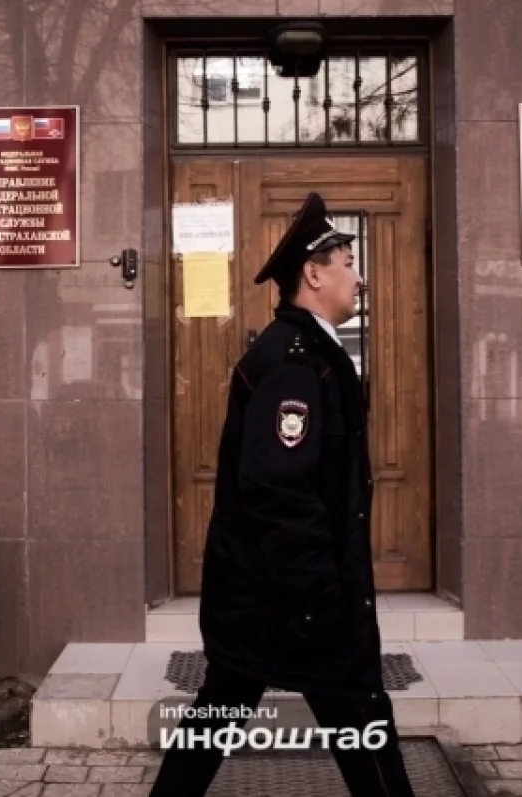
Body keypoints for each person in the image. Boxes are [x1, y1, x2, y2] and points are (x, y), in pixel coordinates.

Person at [149, 193, 416, 796]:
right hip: (293, 601)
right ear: (314, 274)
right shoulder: (293, 363)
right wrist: (324, 599)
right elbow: (279, 491)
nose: (360, 277)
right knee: (360, 717)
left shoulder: (308, 353)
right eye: (349, 263)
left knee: (224, 710)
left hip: (270, 600)